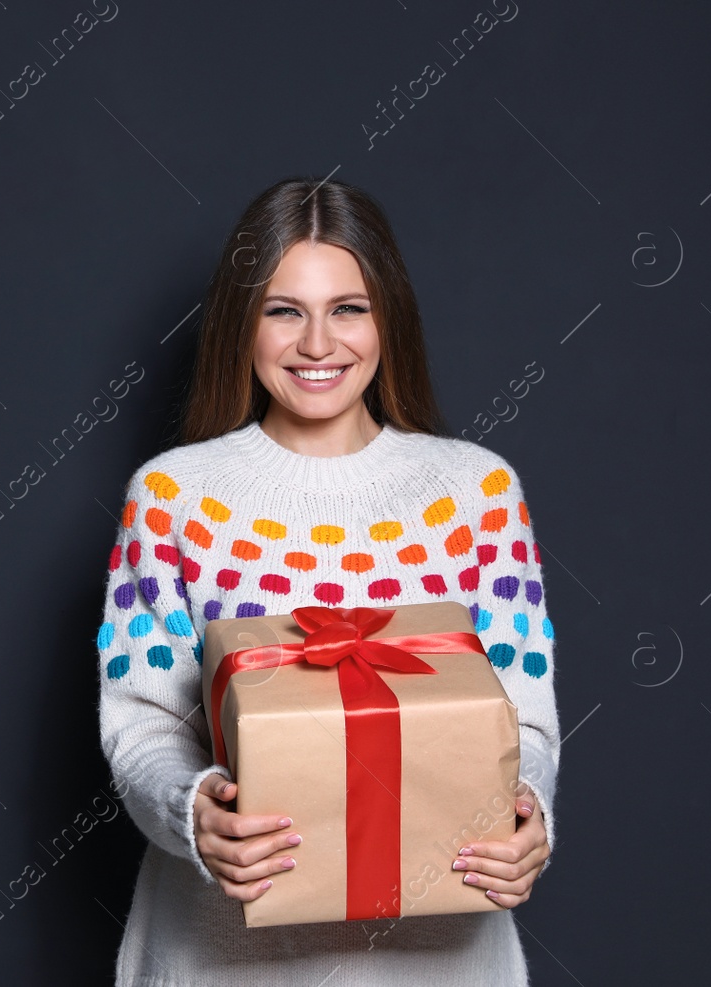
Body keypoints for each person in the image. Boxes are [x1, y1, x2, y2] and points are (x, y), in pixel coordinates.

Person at [95, 177, 560, 985]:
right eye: (283, 309)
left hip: (441, 962)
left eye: (348, 307)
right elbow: (142, 722)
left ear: (390, 317)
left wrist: (528, 818)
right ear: (243, 321)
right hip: (219, 959)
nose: (317, 343)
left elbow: (528, 722)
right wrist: (192, 809)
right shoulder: (171, 497)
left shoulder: (478, 493)